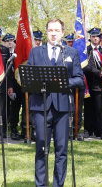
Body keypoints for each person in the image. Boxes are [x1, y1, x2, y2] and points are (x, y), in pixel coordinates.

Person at [27, 19, 84, 186]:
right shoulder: (35, 52)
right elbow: (28, 78)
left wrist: (62, 82)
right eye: (50, 30)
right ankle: (41, 184)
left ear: (62, 32)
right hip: (41, 106)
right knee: (41, 148)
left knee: (61, 149)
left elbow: (79, 79)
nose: (53, 33)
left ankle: (58, 184)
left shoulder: (71, 52)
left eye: (57, 30)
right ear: (46, 32)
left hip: (63, 107)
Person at [83, 27, 102, 139]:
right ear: (90, 38)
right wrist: (99, 72)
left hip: (100, 84)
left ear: (100, 38)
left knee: (99, 108)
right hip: (88, 83)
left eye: (97, 36)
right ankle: (88, 129)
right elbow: (86, 67)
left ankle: (100, 130)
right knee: (88, 108)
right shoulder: (86, 50)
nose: (95, 38)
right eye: (93, 36)